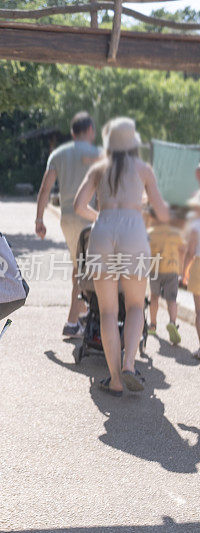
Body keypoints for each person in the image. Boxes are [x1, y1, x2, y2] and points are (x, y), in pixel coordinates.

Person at [74, 117, 170, 396]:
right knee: (136, 306)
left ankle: (115, 380)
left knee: (106, 311)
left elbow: (79, 205)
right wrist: (141, 209)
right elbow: (163, 214)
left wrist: (102, 218)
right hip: (133, 234)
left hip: (102, 233)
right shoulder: (143, 169)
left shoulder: (98, 169)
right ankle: (129, 364)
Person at [35, 112, 102, 338]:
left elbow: (45, 189)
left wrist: (39, 218)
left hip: (68, 220)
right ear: (91, 131)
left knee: (80, 267)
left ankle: (79, 316)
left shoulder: (58, 154)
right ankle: (74, 321)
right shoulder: (100, 154)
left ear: (73, 132)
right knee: (86, 270)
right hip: (91, 217)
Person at [146, 209, 185, 345]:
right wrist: (181, 270)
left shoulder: (150, 233)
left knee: (154, 297)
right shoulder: (175, 233)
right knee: (171, 299)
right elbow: (182, 250)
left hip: (155, 270)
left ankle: (152, 325)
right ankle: (172, 322)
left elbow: (145, 252)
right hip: (172, 269)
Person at [182, 190, 200, 359]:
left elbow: (190, 252)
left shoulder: (195, 225)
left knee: (199, 312)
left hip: (198, 266)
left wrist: (184, 273)